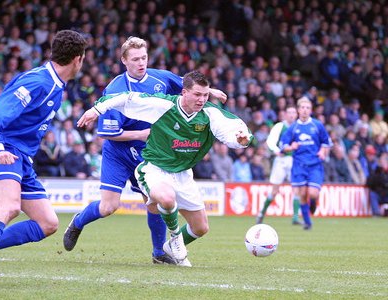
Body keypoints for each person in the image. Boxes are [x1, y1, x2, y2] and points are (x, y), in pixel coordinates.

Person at [63, 37, 227, 265]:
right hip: (119, 153)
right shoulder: (115, 88)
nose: (141, 63)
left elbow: (188, 86)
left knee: (154, 203)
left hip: (149, 153)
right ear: (124, 60)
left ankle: (159, 253)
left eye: (144, 58)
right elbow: (109, 133)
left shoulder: (160, 77)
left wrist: (214, 92)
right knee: (109, 206)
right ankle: (78, 222)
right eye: (135, 59)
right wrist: (143, 134)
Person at [77, 70, 253, 266]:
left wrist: (240, 140)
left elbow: (232, 129)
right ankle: (175, 238)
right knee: (167, 199)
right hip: (154, 169)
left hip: (183, 174)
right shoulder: (163, 105)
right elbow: (127, 97)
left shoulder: (210, 114)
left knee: (201, 228)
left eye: (205, 95)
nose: (202, 99)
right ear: (184, 92)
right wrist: (97, 110)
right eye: (197, 94)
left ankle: (168, 247)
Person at [0, 30, 87, 284]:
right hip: (5, 150)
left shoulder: (55, 85)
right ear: (78, 59)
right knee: (8, 206)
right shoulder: (38, 82)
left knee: (47, 222)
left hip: (22, 158)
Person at [280, 97, 332, 230]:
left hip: (314, 165)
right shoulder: (293, 128)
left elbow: (326, 142)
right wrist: (291, 147)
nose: (304, 110)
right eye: (302, 107)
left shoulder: (317, 125)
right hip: (299, 165)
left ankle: (313, 202)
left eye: (307, 108)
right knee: (302, 194)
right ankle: (308, 222)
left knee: (313, 193)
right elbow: (283, 145)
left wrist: (322, 151)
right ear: (298, 110)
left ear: (311, 110)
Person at [256, 106, 301, 225]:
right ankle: (262, 213)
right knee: (275, 190)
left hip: (294, 160)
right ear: (285, 114)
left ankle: (295, 217)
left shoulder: (299, 127)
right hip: (281, 160)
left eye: (293, 113)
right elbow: (271, 141)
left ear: (296, 115)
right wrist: (276, 150)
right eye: (289, 112)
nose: (291, 115)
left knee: (297, 188)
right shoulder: (280, 126)